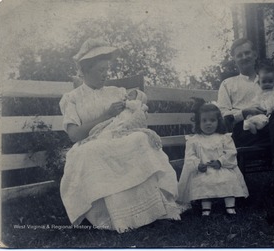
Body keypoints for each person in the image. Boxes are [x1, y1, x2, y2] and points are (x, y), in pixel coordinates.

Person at [59, 38, 181, 233]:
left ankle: (156, 209)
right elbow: (74, 135)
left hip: (120, 134)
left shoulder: (116, 91)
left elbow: (137, 106)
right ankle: (117, 216)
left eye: (107, 69)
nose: (105, 75)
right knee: (96, 150)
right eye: (100, 71)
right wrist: (106, 115)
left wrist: (134, 100)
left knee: (140, 139)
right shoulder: (72, 98)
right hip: (89, 141)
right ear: (85, 71)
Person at [217, 38, 274, 209]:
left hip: (273, 126)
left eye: (247, 53)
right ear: (234, 59)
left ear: (254, 55)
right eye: (239, 55)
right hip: (246, 131)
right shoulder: (228, 84)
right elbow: (224, 116)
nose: (244, 57)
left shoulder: (269, 79)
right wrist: (245, 112)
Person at [177, 101, 249, 216]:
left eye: (212, 120)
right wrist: (197, 165)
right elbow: (190, 156)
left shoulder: (224, 138)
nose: (208, 124)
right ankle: (206, 208)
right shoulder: (194, 140)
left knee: (228, 179)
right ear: (198, 122)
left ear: (218, 122)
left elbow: (231, 152)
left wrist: (220, 162)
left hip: (222, 168)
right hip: (204, 169)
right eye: (204, 120)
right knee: (204, 181)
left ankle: (230, 206)